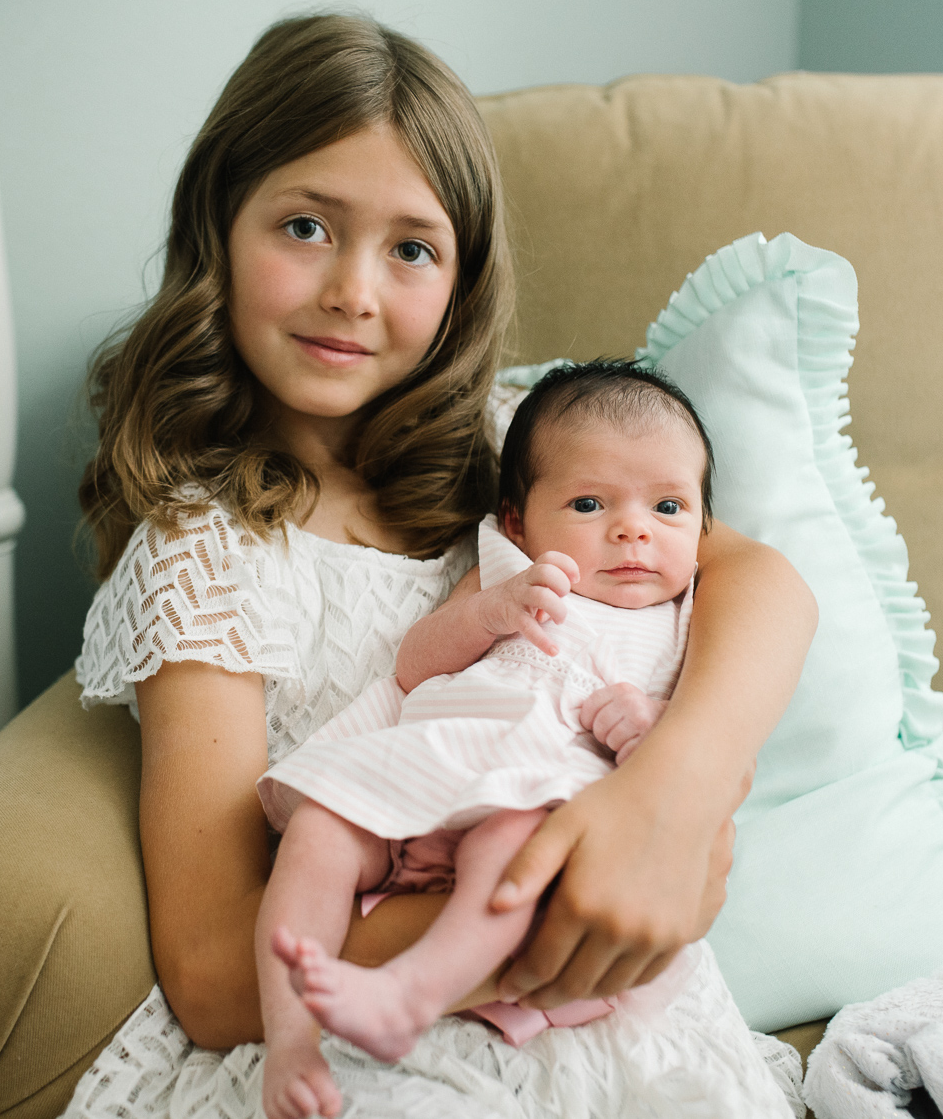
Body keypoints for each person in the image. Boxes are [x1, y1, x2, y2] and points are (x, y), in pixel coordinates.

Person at [67, 13, 816, 1119]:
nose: (353, 292)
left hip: (612, 1005)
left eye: (410, 247)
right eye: (307, 226)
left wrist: (673, 793)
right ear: (218, 225)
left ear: (462, 281)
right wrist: (545, 904)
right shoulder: (204, 551)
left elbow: (763, 583)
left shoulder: (526, 445)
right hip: (347, 1030)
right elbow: (219, 972)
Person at [254, 360, 788, 1118]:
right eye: (589, 502)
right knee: (317, 832)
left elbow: (698, 772)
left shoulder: (689, 616)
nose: (633, 528)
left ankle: (411, 993)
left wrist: (645, 728)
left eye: (668, 506)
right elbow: (414, 666)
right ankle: (290, 1039)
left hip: (536, 797)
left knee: (514, 845)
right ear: (517, 522)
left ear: (703, 524)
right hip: (428, 773)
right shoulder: (512, 570)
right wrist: (490, 613)